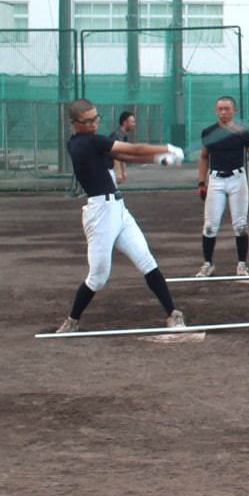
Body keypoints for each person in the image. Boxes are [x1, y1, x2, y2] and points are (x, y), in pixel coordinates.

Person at [55, 99, 186, 333]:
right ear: (74, 123)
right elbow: (133, 149)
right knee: (98, 277)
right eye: (88, 121)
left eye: (96, 118)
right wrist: (165, 148)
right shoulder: (83, 143)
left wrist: (157, 159)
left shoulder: (91, 141)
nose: (94, 124)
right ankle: (72, 320)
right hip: (101, 214)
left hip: (118, 209)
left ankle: (173, 313)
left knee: (147, 261)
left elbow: (126, 157)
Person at [196, 95, 249, 278]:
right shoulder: (209, 132)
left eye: (227, 109)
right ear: (216, 111)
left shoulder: (242, 133)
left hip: (237, 179)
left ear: (234, 111)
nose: (223, 112)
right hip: (216, 179)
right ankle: (207, 264)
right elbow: (204, 157)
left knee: (240, 225)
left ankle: (242, 265)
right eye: (220, 109)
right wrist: (201, 183)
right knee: (209, 226)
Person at [109, 109, 137, 186]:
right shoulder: (116, 135)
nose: (134, 124)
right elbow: (115, 155)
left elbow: (122, 155)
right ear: (125, 123)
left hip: (111, 169)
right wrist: (118, 172)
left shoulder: (124, 135)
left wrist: (124, 171)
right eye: (132, 122)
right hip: (106, 169)